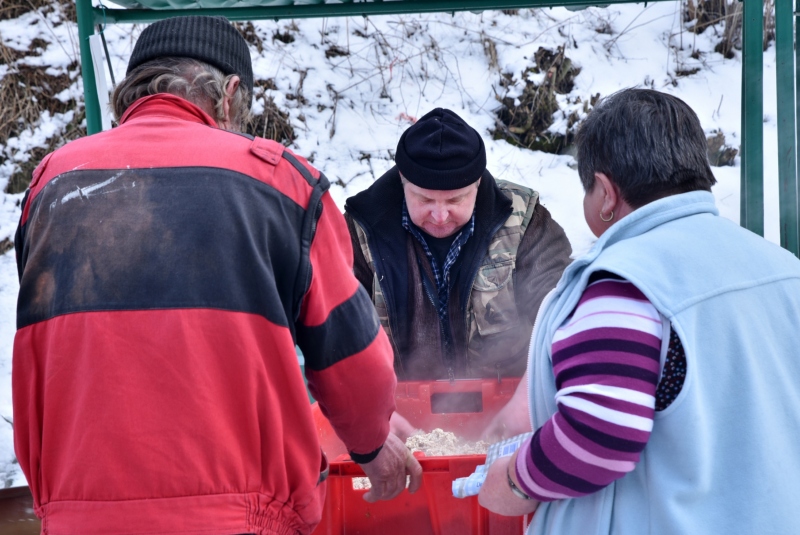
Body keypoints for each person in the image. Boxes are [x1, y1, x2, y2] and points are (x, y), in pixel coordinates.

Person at [13, 16, 420, 535]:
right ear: (229, 96)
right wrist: (369, 443)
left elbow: (40, 360)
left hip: (76, 516)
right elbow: (353, 362)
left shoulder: (50, 187)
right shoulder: (280, 184)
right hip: (238, 518)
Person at [478, 88, 800, 534]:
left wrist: (513, 481)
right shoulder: (786, 271)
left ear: (606, 193)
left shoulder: (624, 283)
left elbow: (598, 433)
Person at [344, 108, 571, 388]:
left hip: (507, 401)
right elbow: (339, 335)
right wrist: (371, 405)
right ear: (403, 180)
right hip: (398, 407)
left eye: (455, 201)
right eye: (425, 199)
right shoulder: (361, 231)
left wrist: (527, 397)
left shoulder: (525, 221)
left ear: (476, 183)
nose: (440, 216)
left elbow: (562, 318)